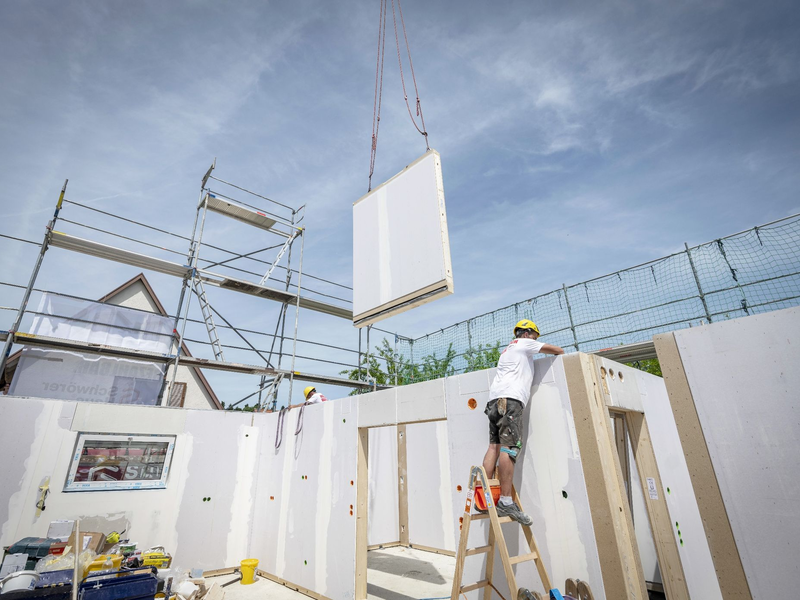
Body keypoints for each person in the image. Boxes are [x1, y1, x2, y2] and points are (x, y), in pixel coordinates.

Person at [480, 319, 564, 525]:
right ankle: (506, 501)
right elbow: (557, 350)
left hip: (494, 401)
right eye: (535, 336)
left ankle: (484, 498)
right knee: (509, 449)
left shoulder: (507, 350)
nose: (536, 341)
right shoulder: (524, 343)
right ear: (527, 333)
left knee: (493, 447)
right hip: (511, 401)